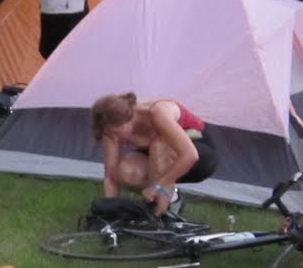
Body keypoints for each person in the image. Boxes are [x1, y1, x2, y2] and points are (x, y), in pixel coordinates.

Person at [90, 92, 219, 216]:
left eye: (116, 133)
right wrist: (111, 212)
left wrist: (157, 186)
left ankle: (160, 217)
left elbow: (190, 155)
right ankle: (173, 199)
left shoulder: (157, 112)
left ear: (126, 119)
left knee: (159, 145)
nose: (116, 139)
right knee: (125, 172)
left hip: (199, 154)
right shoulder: (109, 126)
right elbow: (110, 177)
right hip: (161, 158)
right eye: (110, 135)